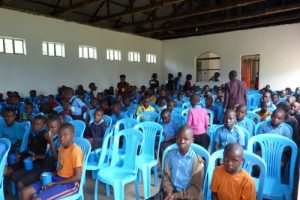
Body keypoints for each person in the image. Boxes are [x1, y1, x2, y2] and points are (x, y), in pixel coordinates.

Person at [20, 123, 83, 200]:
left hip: (70, 184)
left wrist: (56, 183)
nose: (61, 138)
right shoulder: (62, 148)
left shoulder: (75, 151)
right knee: (25, 192)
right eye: (59, 135)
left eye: (65, 135)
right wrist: (50, 174)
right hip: (57, 178)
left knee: (37, 199)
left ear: (73, 135)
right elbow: (61, 166)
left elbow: (77, 176)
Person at [14, 117, 61, 191]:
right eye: (48, 127)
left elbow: (56, 158)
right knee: (17, 178)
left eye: (53, 127)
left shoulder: (58, 140)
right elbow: (46, 154)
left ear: (59, 127)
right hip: (42, 164)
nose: (50, 130)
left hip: (50, 168)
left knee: (20, 183)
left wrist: (51, 141)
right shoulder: (47, 136)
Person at [162, 125, 204, 200]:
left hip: (188, 194)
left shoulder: (197, 162)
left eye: (186, 139)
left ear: (192, 140)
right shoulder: (170, 154)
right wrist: (168, 192)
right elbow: (166, 176)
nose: (182, 141)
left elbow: (195, 189)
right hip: (172, 190)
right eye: (179, 138)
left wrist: (176, 196)